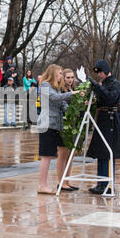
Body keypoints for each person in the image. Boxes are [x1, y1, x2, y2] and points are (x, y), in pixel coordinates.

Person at [36, 64, 82, 194]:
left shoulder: (55, 89)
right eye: (60, 73)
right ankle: (42, 185)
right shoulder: (45, 85)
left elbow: (63, 105)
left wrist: (76, 108)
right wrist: (72, 94)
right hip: (47, 125)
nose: (61, 75)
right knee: (46, 156)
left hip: (55, 126)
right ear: (53, 73)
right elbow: (55, 98)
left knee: (49, 155)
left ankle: (45, 184)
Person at [87, 59, 120, 195]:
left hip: (110, 120)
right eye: (99, 73)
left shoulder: (114, 84)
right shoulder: (104, 83)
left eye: (101, 72)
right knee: (101, 153)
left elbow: (110, 98)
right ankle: (101, 183)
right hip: (102, 119)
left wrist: (97, 87)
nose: (100, 75)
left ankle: (108, 184)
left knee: (109, 153)